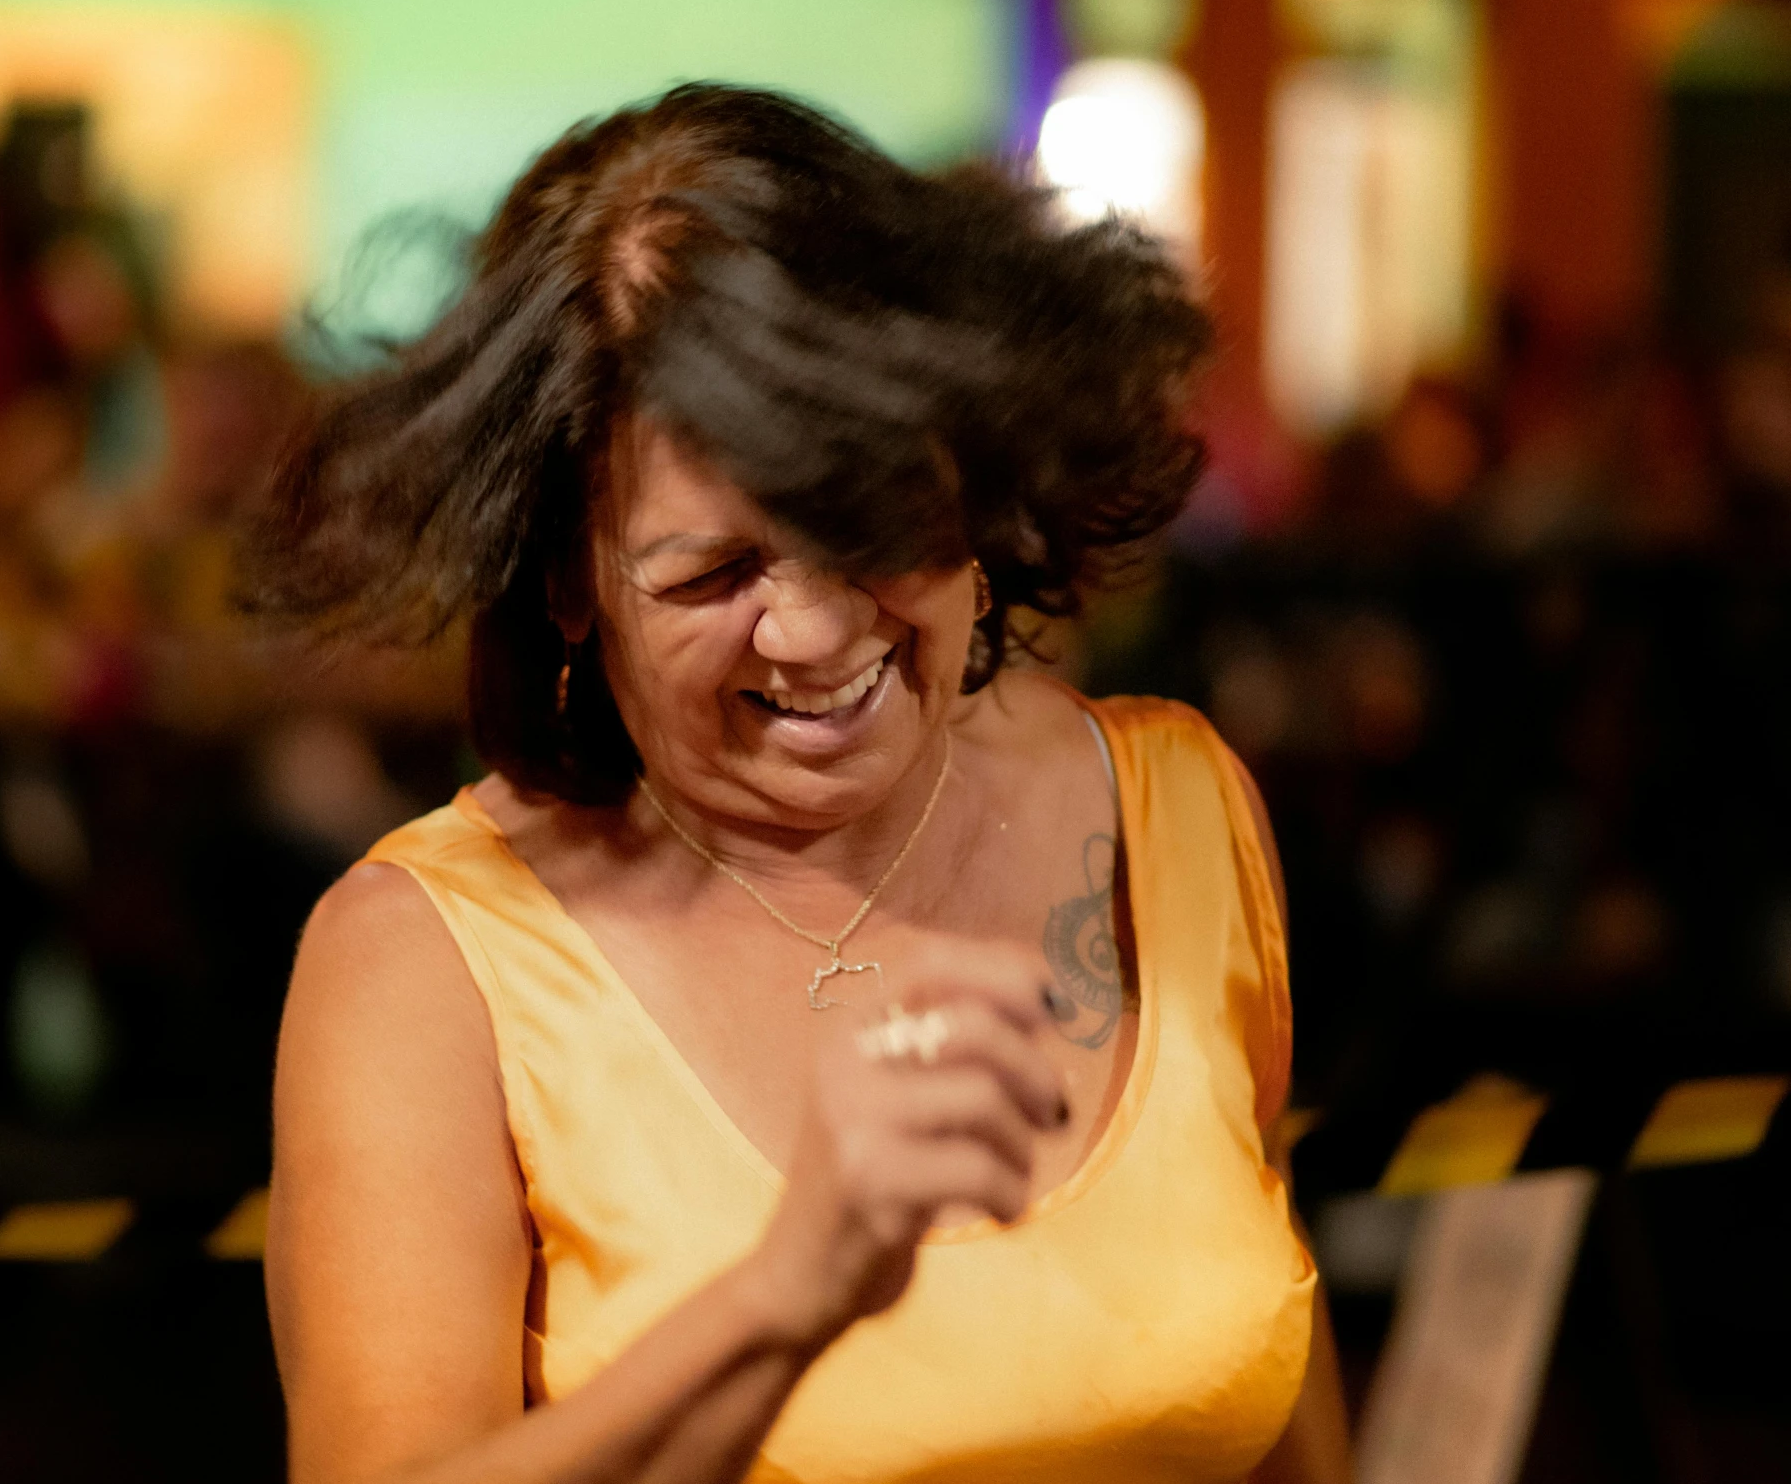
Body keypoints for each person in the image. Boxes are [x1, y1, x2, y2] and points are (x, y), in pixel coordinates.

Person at [246, 85, 1350, 1484]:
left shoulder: (1170, 809)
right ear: (570, 583)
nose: (816, 633)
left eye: (871, 524)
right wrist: (782, 1299)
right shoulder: (427, 962)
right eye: (714, 574)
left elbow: (1270, 1366)